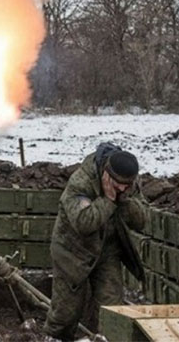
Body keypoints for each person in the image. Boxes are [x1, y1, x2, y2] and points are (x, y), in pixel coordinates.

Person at [44, 142, 148, 341]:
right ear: (106, 173)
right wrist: (108, 201)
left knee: (112, 310)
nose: (122, 189)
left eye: (127, 185)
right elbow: (84, 223)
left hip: (107, 250)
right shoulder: (80, 182)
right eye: (118, 185)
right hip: (72, 251)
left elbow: (142, 221)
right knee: (65, 313)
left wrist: (125, 200)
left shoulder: (128, 184)